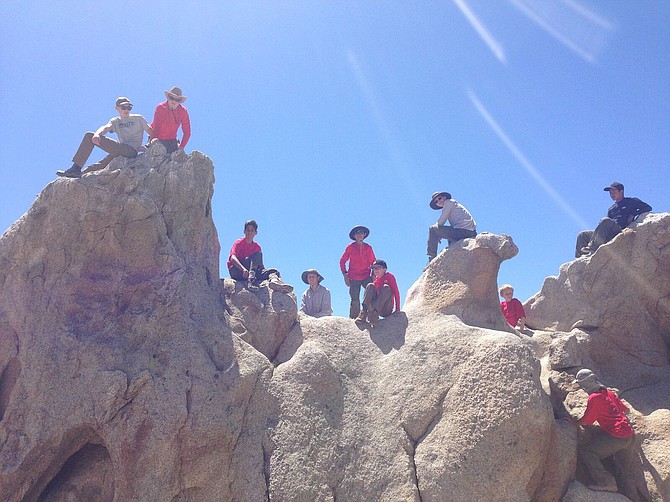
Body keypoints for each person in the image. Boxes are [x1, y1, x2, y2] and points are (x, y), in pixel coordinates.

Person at [568, 369, 636, 493]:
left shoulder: (594, 398)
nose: (582, 388)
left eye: (581, 384)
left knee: (587, 452)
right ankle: (626, 492)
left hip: (617, 437)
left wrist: (572, 422)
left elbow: (586, 421)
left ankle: (607, 482)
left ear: (585, 384)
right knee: (621, 469)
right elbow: (626, 410)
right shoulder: (608, 393)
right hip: (630, 436)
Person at [57, 97, 153, 178]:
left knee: (89, 136)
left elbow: (151, 131)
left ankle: (76, 168)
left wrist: (148, 146)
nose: (127, 110)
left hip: (130, 150)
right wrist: (97, 134)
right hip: (120, 150)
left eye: (129, 107)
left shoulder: (138, 118)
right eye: (124, 107)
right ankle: (80, 174)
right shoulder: (116, 121)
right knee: (101, 165)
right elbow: (106, 127)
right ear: (117, 108)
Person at [576, 182, 652, 257]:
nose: (611, 194)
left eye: (613, 192)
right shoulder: (611, 208)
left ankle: (593, 248)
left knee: (605, 220)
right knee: (582, 235)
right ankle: (580, 258)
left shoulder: (631, 201)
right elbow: (605, 225)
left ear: (621, 191)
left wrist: (633, 214)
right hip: (609, 232)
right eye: (610, 192)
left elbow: (648, 207)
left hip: (620, 230)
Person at [227, 220, 293, 293]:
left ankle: (275, 282)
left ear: (256, 233)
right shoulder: (239, 243)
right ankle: (251, 281)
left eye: (252, 230)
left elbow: (259, 265)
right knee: (258, 254)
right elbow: (232, 258)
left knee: (273, 271)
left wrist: (265, 274)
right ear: (244, 231)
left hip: (250, 272)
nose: (249, 232)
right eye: (248, 230)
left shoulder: (257, 247)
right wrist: (243, 269)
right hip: (237, 270)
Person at [427, 191, 477, 262]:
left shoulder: (448, 203)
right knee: (450, 233)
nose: (438, 201)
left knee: (432, 229)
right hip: (469, 232)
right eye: (436, 201)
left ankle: (431, 258)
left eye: (439, 198)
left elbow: (441, 222)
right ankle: (455, 257)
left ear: (444, 197)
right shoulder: (452, 204)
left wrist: (437, 234)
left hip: (464, 231)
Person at [340, 225, 376, 319]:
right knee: (354, 299)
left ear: (364, 235)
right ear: (354, 236)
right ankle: (354, 320)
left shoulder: (368, 248)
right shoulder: (350, 247)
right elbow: (342, 261)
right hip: (353, 277)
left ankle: (372, 316)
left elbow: (373, 263)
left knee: (371, 294)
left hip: (366, 276)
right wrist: (345, 275)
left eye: (361, 232)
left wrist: (373, 276)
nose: (359, 235)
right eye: (357, 233)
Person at [355, 259, 401, 326]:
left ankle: (374, 315)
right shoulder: (376, 281)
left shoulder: (389, 277)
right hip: (375, 307)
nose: (376, 270)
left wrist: (397, 309)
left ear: (384, 269)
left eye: (378, 268)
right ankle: (364, 313)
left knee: (386, 288)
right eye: (374, 268)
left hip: (386, 309)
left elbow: (396, 292)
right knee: (370, 285)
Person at [150, 86, 191, 154]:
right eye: (172, 98)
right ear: (168, 98)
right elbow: (157, 125)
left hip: (171, 140)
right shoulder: (161, 107)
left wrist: (181, 147)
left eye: (177, 100)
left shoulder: (183, 112)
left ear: (180, 101)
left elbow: (187, 132)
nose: (174, 101)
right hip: (157, 137)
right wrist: (154, 139)